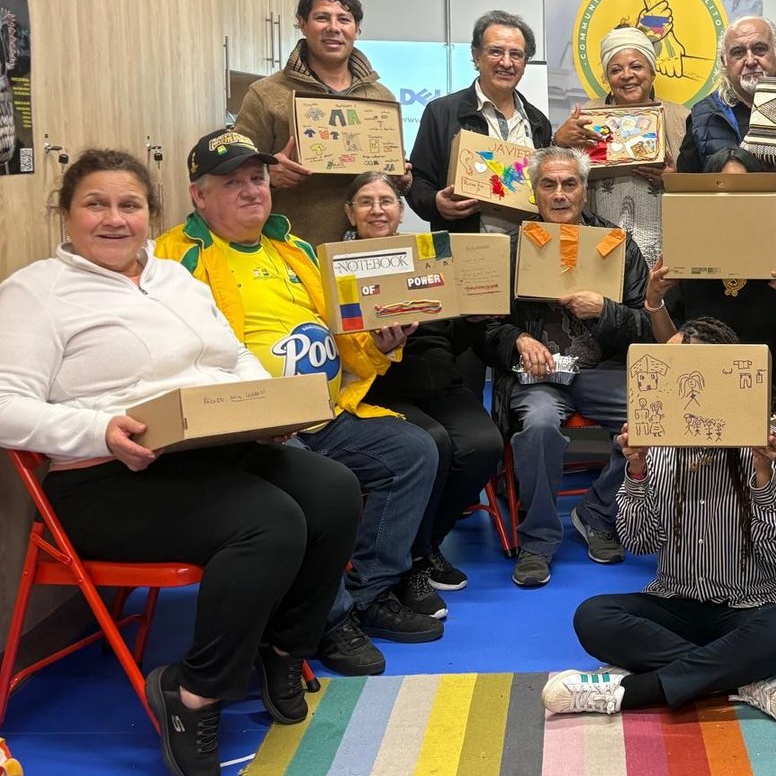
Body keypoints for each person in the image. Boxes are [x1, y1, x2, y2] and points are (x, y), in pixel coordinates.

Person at [0, 150, 361, 776]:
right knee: (270, 522)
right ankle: (193, 693)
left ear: (151, 213)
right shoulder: (36, 293)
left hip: (206, 452)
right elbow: (5, 405)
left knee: (333, 489)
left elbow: (234, 359)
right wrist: (97, 430)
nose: (115, 219)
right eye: (96, 204)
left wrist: (266, 406)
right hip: (104, 478)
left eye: (130, 205)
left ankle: (282, 650)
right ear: (66, 213)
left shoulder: (174, 279)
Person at [154, 129, 443, 678]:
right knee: (320, 487)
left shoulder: (296, 249)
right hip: (249, 429)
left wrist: (381, 347)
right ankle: (329, 620)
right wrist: (252, 415)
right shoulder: (175, 257)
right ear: (199, 196)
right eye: (232, 182)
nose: (251, 190)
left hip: (325, 414)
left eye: (258, 178)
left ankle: (369, 592)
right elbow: (174, 358)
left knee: (414, 450)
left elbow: (344, 338)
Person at [543, 316, 776, 723]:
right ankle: (744, 681)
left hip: (750, 603)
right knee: (592, 617)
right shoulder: (658, 441)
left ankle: (631, 692)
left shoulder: (769, 444)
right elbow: (640, 542)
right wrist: (635, 472)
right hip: (675, 602)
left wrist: (762, 477)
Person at [482, 146, 648, 588]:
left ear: (584, 191)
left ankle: (597, 513)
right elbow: (484, 326)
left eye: (569, 184)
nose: (559, 194)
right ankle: (537, 540)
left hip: (601, 371)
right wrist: (518, 339)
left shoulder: (618, 245)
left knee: (655, 417)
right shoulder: (512, 248)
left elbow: (647, 326)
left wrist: (606, 312)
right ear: (535, 192)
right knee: (538, 425)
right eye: (549, 184)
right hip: (538, 377)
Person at [341, 172, 505, 618]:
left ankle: (426, 544)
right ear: (350, 213)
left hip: (439, 379)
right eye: (366, 202)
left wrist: (473, 317)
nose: (377, 210)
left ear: (401, 211)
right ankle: (410, 563)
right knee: (433, 442)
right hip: (378, 384)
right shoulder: (333, 264)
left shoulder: (430, 255)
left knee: (484, 444)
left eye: (387, 201)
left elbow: (453, 332)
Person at [644, 148, 776, 456]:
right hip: (702, 401)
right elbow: (672, 350)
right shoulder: (688, 256)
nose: (733, 199)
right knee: (654, 447)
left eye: (744, 189)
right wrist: (655, 302)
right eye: (723, 190)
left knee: (751, 450)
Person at [235, 0, 403, 245]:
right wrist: (267, 175)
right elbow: (233, 174)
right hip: (294, 250)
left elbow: (390, 178)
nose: (333, 28)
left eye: (344, 20)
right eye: (322, 17)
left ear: (357, 29)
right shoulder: (266, 94)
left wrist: (401, 177)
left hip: (368, 253)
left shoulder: (381, 98)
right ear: (302, 24)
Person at [409, 10, 554, 235]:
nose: (506, 62)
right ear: (476, 56)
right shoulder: (441, 112)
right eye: (496, 51)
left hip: (528, 247)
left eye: (516, 54)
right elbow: (418, 180)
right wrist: (435, 203)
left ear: (525, 63)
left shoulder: (538, 122)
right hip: (464, 246)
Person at [675, 16, 776, 243]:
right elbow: (687, 199)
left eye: (759, 49)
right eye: (738, 52)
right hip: (729, 248)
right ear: (724, 61)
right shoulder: (703, 116)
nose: (750, 60)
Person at [565, 26, 691, 267]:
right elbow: (565, 179)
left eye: (636, 66)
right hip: (602, 240)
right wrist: (560, 141)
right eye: (616, 70)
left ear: (652, 72)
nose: (626, 75)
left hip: (665, 242)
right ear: (607, 78)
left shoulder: (681, 118)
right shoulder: (588, 116)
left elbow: (701, 189)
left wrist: (675, 180)